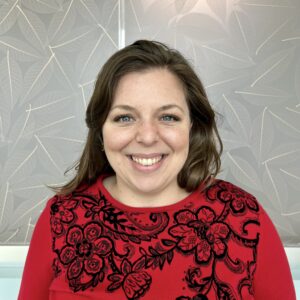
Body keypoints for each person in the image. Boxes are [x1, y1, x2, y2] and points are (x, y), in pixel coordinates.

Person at [18, 40, 296, 300]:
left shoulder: (245, 218)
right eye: (125, 117)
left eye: (168, 117)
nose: (148, 136)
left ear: (192, 126)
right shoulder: (60, 219)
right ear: (101, 130)